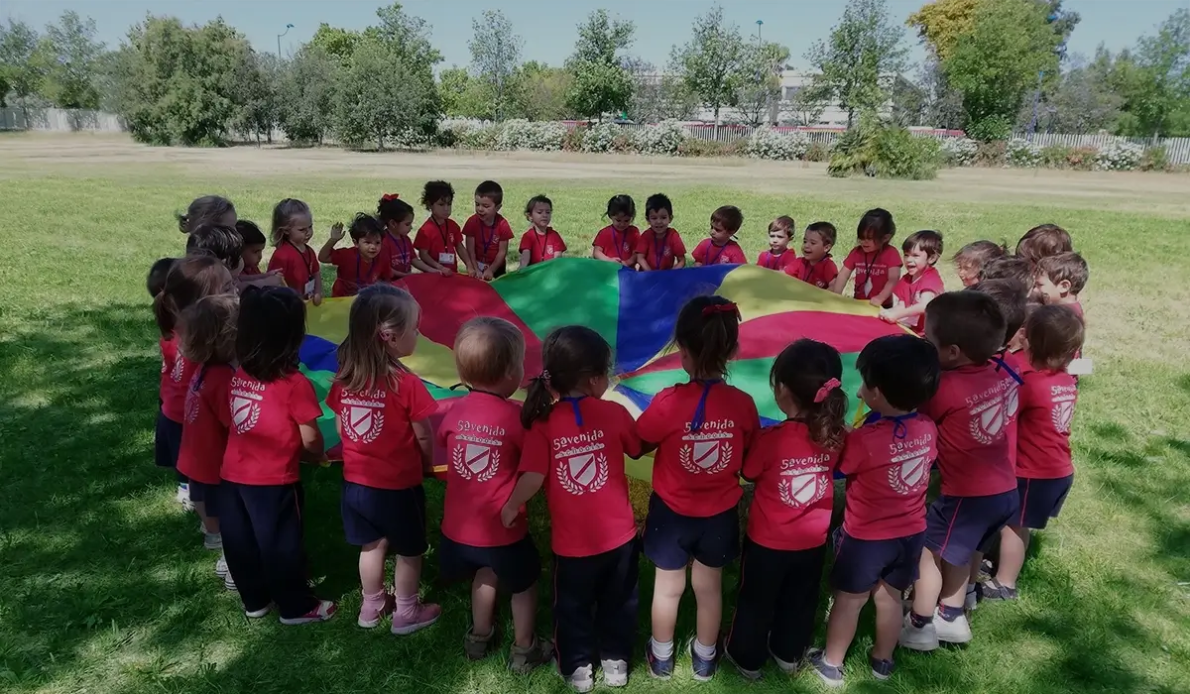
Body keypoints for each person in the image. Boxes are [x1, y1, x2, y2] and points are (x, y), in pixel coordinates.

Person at [502, 326, 642, 692]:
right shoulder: (614, 413)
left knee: (572, 607)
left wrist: (511, 505)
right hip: (620, 540)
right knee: (619, 602)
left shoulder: (543, 424)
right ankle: (616, 662)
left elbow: (533, 476)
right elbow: (637, 447)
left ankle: (578, 668)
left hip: (572, 546)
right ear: (596, 379)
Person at [807, 335, 940, 686]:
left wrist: (845, 435)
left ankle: (831, 663)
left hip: (866, 538)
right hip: (910, 533)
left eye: (864, 384)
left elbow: (845, 466)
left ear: (876, 392)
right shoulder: (928, 428)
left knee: (849, 601)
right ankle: (883, 659)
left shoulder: (866, 440)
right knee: (891, 597)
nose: (859, 391)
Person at [638, 295, 759, 680]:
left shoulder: (668, 402)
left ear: (681, 352)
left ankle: (661, 657)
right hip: (719, 515)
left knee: (667, 588)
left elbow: (640, 442)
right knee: (710, 588)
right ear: (734, 351)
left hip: (670, 515)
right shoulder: (743, 404)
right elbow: (749, 457)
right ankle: (705, 658)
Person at [901, 291, 1020, 651]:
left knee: (927, 551)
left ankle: (924, 624)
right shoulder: (1000, 374)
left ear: (952, 352)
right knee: (961, 551)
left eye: (928, 341)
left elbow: (915, 413)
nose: (923, 343)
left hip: (968, 495)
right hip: (1005, 490)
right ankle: (954, 609)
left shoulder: (945, 387)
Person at [724, 339, 847, 681]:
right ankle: (789, 653)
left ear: (781, 389)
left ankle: (745, 657)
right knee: (801, 600)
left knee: (755, 601)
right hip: (810, 543)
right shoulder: (836, 435)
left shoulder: (773, 438)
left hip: (767, 543)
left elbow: (748, 472)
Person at [436, 317, 554, 672]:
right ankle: (525, 648)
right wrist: (514, 503)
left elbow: (445, 441)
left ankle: (479, 636)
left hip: (458, 530)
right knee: (524, 583)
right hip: (503, 531)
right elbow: (534, 469)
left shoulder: (454, 409)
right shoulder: (517, 418)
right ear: (509, 374)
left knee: (484, 574)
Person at [326, 285, 441, 633]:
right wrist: (426, 463)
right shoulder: (406, 384)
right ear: (391, 336)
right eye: (415, 328)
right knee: (409, 549)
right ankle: (406, 612)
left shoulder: (347, 378)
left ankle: (371, 605)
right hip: (398, 485)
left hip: (356, 483)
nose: (419, 334)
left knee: (371, 545)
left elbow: (342, 424)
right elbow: (423, 433)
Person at [220, 286, 335, 625]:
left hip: (231, 477)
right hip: (273, 481)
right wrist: (318, 454)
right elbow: (311, 438)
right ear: (293, 336)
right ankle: (297, 607)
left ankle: (255, 601)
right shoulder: (294, 383)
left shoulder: (241, 373)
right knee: (280, 544)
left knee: (240, 541)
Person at [980, 306, 1083, 602]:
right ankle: (997, 561)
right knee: (1014, 522)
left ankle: (1005, 583)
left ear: (1031, 342)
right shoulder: (1065, 380)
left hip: (1032, 472)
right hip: (1057, 469)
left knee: (1015, 526)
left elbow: (1006, 422)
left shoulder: (1028, 384)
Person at [154, 256, 235, 510]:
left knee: (189, 462)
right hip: (189, 418)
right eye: (227, 289)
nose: (235, 292)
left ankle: (188, 491)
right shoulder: (204, 346)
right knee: (204, 470)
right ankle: (206, 514)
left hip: (173, 411)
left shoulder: (176, 330)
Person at [175, 294, 239, 588]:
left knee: (218, 518)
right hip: (217, 467)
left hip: (195, 461)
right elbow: (235, 423)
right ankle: (236, 569)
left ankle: (226, 552)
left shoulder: (202, 368)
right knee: (234, 521)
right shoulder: (223, 378)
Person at [830, 209, 901, 306]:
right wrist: (836, 295)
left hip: (882, 306)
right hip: (858, 304)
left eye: (869, 238)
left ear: (885, 238)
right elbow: (843, 275)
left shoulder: (891, 254)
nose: (864, 242)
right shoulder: (856, 252)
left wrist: (880, 298)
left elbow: (893, 279)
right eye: (861, 238)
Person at [881, 230, 945, 334]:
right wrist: (889, 313)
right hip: (911, 330)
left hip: (929, 335)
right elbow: (902, 305)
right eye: (906, 255)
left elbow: (925, 305)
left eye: (915, 256)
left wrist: (897, 315)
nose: (909, 260)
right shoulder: (907, 279)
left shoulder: (930, 278)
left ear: (932, 258)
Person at [319, 213, 393, 297]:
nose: (373, 247)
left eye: (377, 242)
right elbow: (322, 257)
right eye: (368, 242)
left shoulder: (382, 257)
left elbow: (386, 280)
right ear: (356, 243)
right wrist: (333, 240)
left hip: (367, 298)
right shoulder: (347, 256)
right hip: (342, 298)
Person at [266, 198, 323, 304]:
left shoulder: (309, 251)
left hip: (306, 305)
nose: (308, 233)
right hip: (288, 308)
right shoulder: (281, 255)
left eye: (310, 227)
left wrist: (318, 292)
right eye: (302, 230)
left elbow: (316, 273)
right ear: (286, 230)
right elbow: (273, 284)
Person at [414, 181, 471, 277]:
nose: (446, 208)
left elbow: (460, 247)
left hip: (452, 274)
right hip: (433, 276)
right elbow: (423, 255)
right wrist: (439, 267)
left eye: (449, 204)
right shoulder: (425, 230)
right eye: (441, 204)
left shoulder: (453, 225)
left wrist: (469, 265)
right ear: (430, 205)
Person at [464, 180, 514, 280]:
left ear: (498, 207)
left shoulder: (502, 225)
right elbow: (470, 250)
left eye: (486, 206)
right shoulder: (472, 222)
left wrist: (491, 270)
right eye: (477, 204)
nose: (480, 209)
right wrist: (475, 268)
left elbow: (502, 252)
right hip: (476, 265)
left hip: (497, 267)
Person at [375, 194, 431, 280]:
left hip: (404, 281)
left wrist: (431, 270)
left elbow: (413, 259)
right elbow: (386, 269)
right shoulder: (384, 242)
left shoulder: (406, 239)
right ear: (393, 223)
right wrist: (405, 275)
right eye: (407, 224)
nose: (411, 227)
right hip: (389, 285)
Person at [635, 193, 686, 271]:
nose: (659, 221)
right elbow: (640, 258)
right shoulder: (646, 236)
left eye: (663, 217)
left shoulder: (673, 235)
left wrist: (671, 274)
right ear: (648, 220)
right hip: (647, 275)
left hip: (666, 277)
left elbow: (681, 260)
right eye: (654, 218)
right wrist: (651, 274)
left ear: (670, 218)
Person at [786, 222, 839, 289]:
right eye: (805, 241)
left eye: (812, 243)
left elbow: (834, 286)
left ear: (826, 248)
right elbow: (783, 275)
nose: (806, 246)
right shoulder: (800, 262)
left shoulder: (828, 266)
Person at [518, 195, 567, 268]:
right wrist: (521, 270)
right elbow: (525, 259)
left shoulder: (554, 236)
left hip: (550, 273)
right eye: (539, 212)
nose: (544, 215)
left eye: (548, 212)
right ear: (530, 216)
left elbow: (558, 258)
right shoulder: (528, 236)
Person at [1033, 252, 1088, 317]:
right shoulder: (1073, 310)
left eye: (1039, 285)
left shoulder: (1060, 318)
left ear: (1064, 286)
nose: (1034, 290)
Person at [592, 195, 640, 266]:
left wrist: (627, 263)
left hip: (628, 271)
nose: (622, 224)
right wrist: (608, 260)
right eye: (618, 220)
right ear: (610, 216)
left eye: (626, 220)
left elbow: (637, 253)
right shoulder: (604, 233)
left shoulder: (634, 232)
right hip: (607, 271)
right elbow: (596, 252)